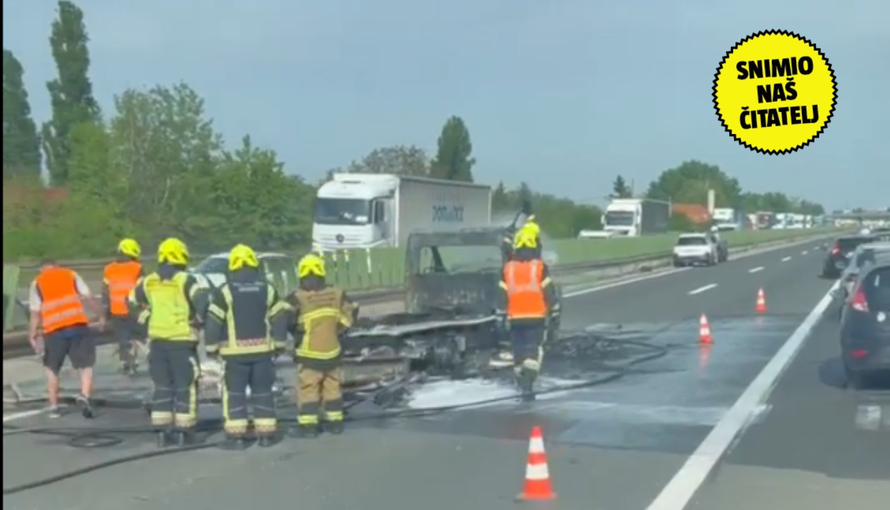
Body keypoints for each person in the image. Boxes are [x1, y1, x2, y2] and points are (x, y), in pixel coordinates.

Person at [204, 244, 290, 449]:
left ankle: (238, 438)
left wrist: (211, 348)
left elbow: (213, 322)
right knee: (263, 392)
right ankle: (266, 436)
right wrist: (279, 344)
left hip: (234, 356)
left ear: (232, 267)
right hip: (262, 354)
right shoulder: (267, 289)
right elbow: (279, 317)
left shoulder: (224, 291)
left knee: (235, 394)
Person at [128, 237, 204, 447]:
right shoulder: (186, 280)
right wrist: (198, 321)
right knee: (185, 386)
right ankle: (185, 431)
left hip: (157, 343)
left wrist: (147, 320)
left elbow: (131, 303)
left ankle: (162, 430)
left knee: (162, 386)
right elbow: (204, 303)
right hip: (182, 342)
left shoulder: (148, 281)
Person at [285, 253, 358, 438]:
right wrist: (340, 329)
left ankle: (309, 427)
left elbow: (284, 319)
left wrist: (296, 334)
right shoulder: (337, 293)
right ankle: (336, 424)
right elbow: (353, 308)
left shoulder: (296, 297)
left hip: (309, 354)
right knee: (332, 388)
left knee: (309, 389)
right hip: (332, 351)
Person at [28, 260, 105, 419]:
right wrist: (101, 316)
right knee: (86, 365)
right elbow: (89, 297)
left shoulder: (37, 283)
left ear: (41, 269)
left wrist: (32, 334)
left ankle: (54, 406)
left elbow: (35, 313)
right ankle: (85, 395)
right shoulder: (71, 274)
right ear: (57, 266)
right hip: (77, 326)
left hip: (53, 331)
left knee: (52, 369)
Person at [497, 230, 558, 401]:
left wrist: (502, 315)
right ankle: (528, 386)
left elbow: (501, 297)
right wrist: (554, 312)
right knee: (533, 353)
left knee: (519, 352)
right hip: (535, 317)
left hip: (515, 319)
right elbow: (549, 293)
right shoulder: (539, 267)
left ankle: (521, 383)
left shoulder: (508, 268)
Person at [103, 238, 144, 375]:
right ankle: (134, 358)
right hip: (134, 309)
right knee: (136, 335)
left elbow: (105, 292)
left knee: (122, 336)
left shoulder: (108, 269)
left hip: (116, 310)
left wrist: (106, 312)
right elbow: (142, 288)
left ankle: (125, 360)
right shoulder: (137, 268)